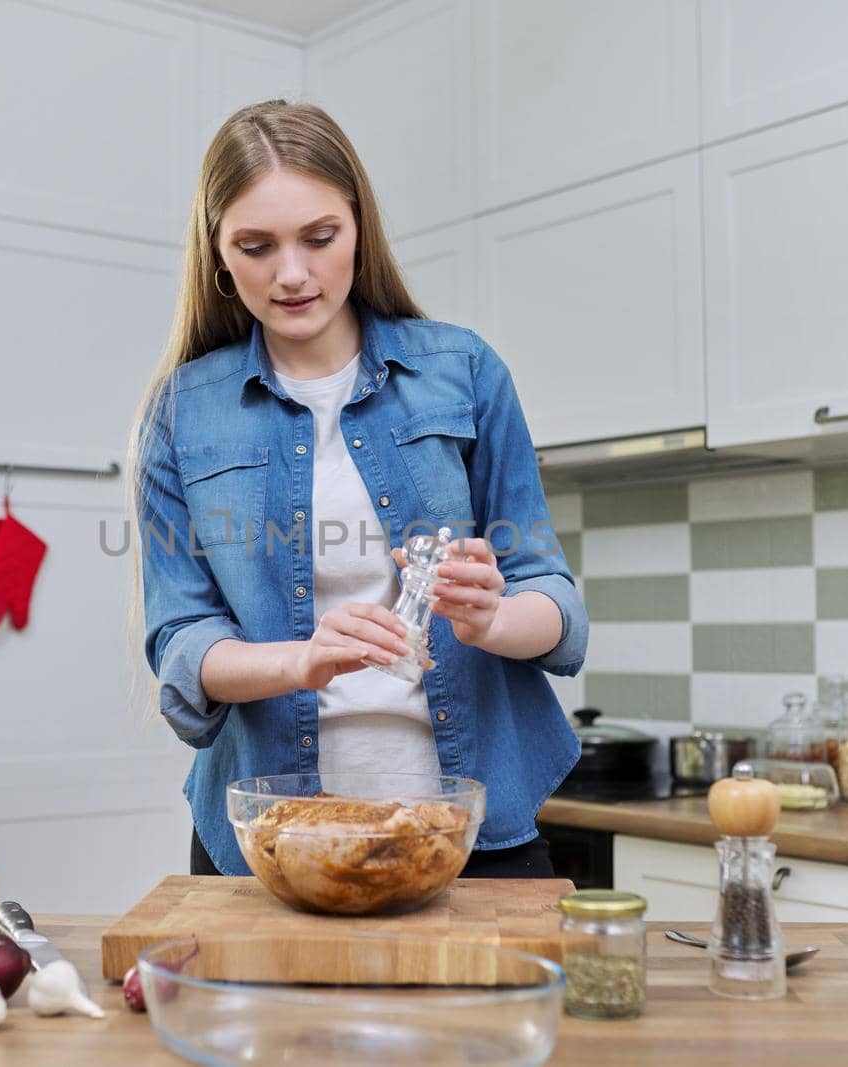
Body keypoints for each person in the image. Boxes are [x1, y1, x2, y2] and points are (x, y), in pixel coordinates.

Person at [126, 100, 587, 879]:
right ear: (218, 255)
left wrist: (491, 617)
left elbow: (555, 603)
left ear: (359, 228)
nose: (294, 273)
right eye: (256, 245)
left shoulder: (464, 371)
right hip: (269, 839)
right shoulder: (181, 411)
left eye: (320, 236)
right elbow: (181, 644)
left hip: (470, 832)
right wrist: (299, 659)